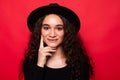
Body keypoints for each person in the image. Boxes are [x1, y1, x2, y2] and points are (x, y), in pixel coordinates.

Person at [22, 3, 93, 80]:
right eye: (46, 28)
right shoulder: (30, 63)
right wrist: (40, 65)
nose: (52, 34)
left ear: (66, 32)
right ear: (39, 31)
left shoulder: (80, 64)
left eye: (59, 28)